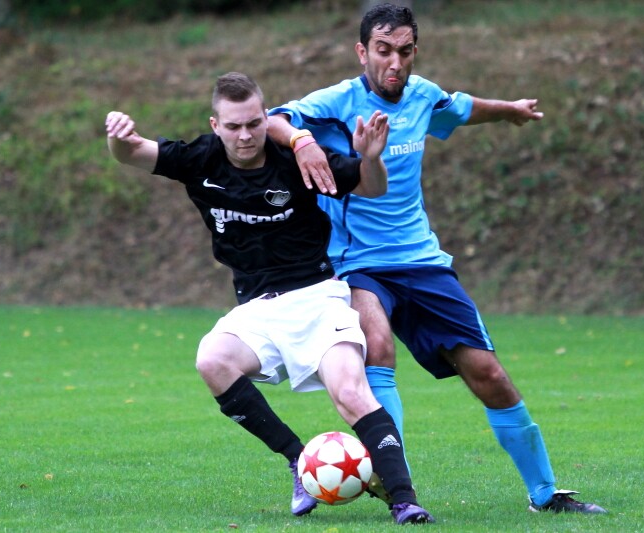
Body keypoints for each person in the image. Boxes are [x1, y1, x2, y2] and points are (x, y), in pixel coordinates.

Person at [267, 4, 607, 515]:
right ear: (362, 52)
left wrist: (510, 110)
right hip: (356, 263)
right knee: (377, 347)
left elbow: (464, 108)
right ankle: (398, 492)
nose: (394, 62)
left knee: (489, 374)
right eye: (383, 50)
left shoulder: (424, 95)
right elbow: (273, 119)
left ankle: (545, 494)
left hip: (423, 261)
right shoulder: (336, 101)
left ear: (414, 52)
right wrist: (302, 142)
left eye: (404, 51)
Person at [105, 71, 435, 524]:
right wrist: (117, 134)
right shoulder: (200, 158)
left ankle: (404, 499)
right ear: (216, 125)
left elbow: (371, 185)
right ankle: (299, 460)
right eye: (233, 126)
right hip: (257, 308)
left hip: (318, 297)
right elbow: (130, 153)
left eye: (254, 123)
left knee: (351, 391)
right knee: (212, 360)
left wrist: (371, 158)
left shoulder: (296, 160)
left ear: (266, 118)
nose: (245, 135)